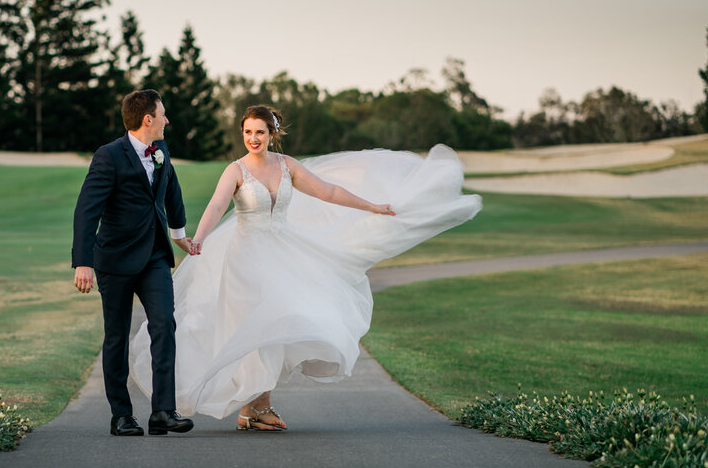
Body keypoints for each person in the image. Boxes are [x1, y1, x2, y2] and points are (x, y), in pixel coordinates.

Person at [128, 104, 482, 430]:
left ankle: (255, 407)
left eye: (260, 133)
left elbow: (328, 191)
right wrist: (198, 239)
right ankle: (256, 407)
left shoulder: (287, 166)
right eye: (248, 132)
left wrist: (371, 206)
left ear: (272, 134)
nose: (253, 139)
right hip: (245, 257)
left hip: (284, 251)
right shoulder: (234, 170)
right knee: (255, 327)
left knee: (285, 321)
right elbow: (217, 206)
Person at [72, 89, 195, 437]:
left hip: (155, 256)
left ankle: (163, 411)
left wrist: (179, 233)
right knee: (117, 338)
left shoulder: (161, 151)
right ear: (148, 119)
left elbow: (172, 190)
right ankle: (121, 415)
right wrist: (83, 262)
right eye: (163, 114)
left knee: (165, 325)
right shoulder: (109, 156)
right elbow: (87, 210)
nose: (167, 120)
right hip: (115, 259)